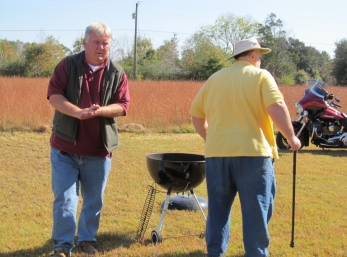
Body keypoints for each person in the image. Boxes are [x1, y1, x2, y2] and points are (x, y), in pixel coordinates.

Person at [190, 38, 301, 257]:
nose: (260, 60)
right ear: (252, 56)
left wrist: (210, 138)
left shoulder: (214, 79)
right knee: (256, 213)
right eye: (259, 56)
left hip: (217, 156)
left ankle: (215, 253)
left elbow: (196, 114)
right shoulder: (261, 76)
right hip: (254, 155)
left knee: (218, 213)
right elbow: (277, 106)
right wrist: (291, 137)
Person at [47, 21, 130, 257]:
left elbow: (123, 106)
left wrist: (101, 111)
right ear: (85, 43)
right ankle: (62, 246)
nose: (101, 47)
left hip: (98, 150)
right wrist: (77, 112)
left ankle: (86, 240)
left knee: (93, 201)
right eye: (96, 42)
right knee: (65, 199)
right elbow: (54, 96)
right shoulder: (67, 65)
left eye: (105, 43)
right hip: (65, 148)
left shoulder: (117, 72)